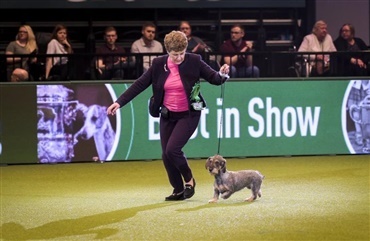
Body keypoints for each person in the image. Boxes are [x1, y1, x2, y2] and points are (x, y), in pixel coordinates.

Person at [107, 31, 230, 201]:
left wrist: (222, 74)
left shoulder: (194, 60)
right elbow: (140, 84)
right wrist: (119, 102)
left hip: (189, 114)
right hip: (167, 115)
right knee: (166, 154)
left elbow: (214, 78)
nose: (179, 58)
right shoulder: (158, 64)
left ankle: (189, 180)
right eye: (175, 55)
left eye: (182, 53)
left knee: (173, 149)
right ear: (167, 51)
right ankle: (178, 190)